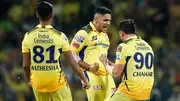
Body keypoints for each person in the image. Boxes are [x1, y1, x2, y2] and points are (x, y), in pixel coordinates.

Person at [22, 1, 90, 101]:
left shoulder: (28, 36)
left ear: (37, 15)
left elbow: (25, 65)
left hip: (38, 83)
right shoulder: (60, 36)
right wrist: (84, 80)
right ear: (52, 15)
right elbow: (72, 62)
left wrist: (29, 81)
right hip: (57, 83)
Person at [99, 19, 154, 101]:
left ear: (121, 33)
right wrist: (111, 63)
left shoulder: (124, 46)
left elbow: (116, 73)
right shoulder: (148, 46)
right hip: (145, 95)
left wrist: (105, 64)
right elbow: (131, 68)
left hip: (129, 94)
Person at [71, 6, 116, 101]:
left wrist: (111, 64)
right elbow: (71, 53)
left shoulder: (105, 35)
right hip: (92, 75)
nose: (108, 23)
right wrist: (88, 67)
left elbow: (101, 56)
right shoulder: (84, 33)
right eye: (105, 20)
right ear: (96, 20)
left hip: (107, 76)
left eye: (109, 21)